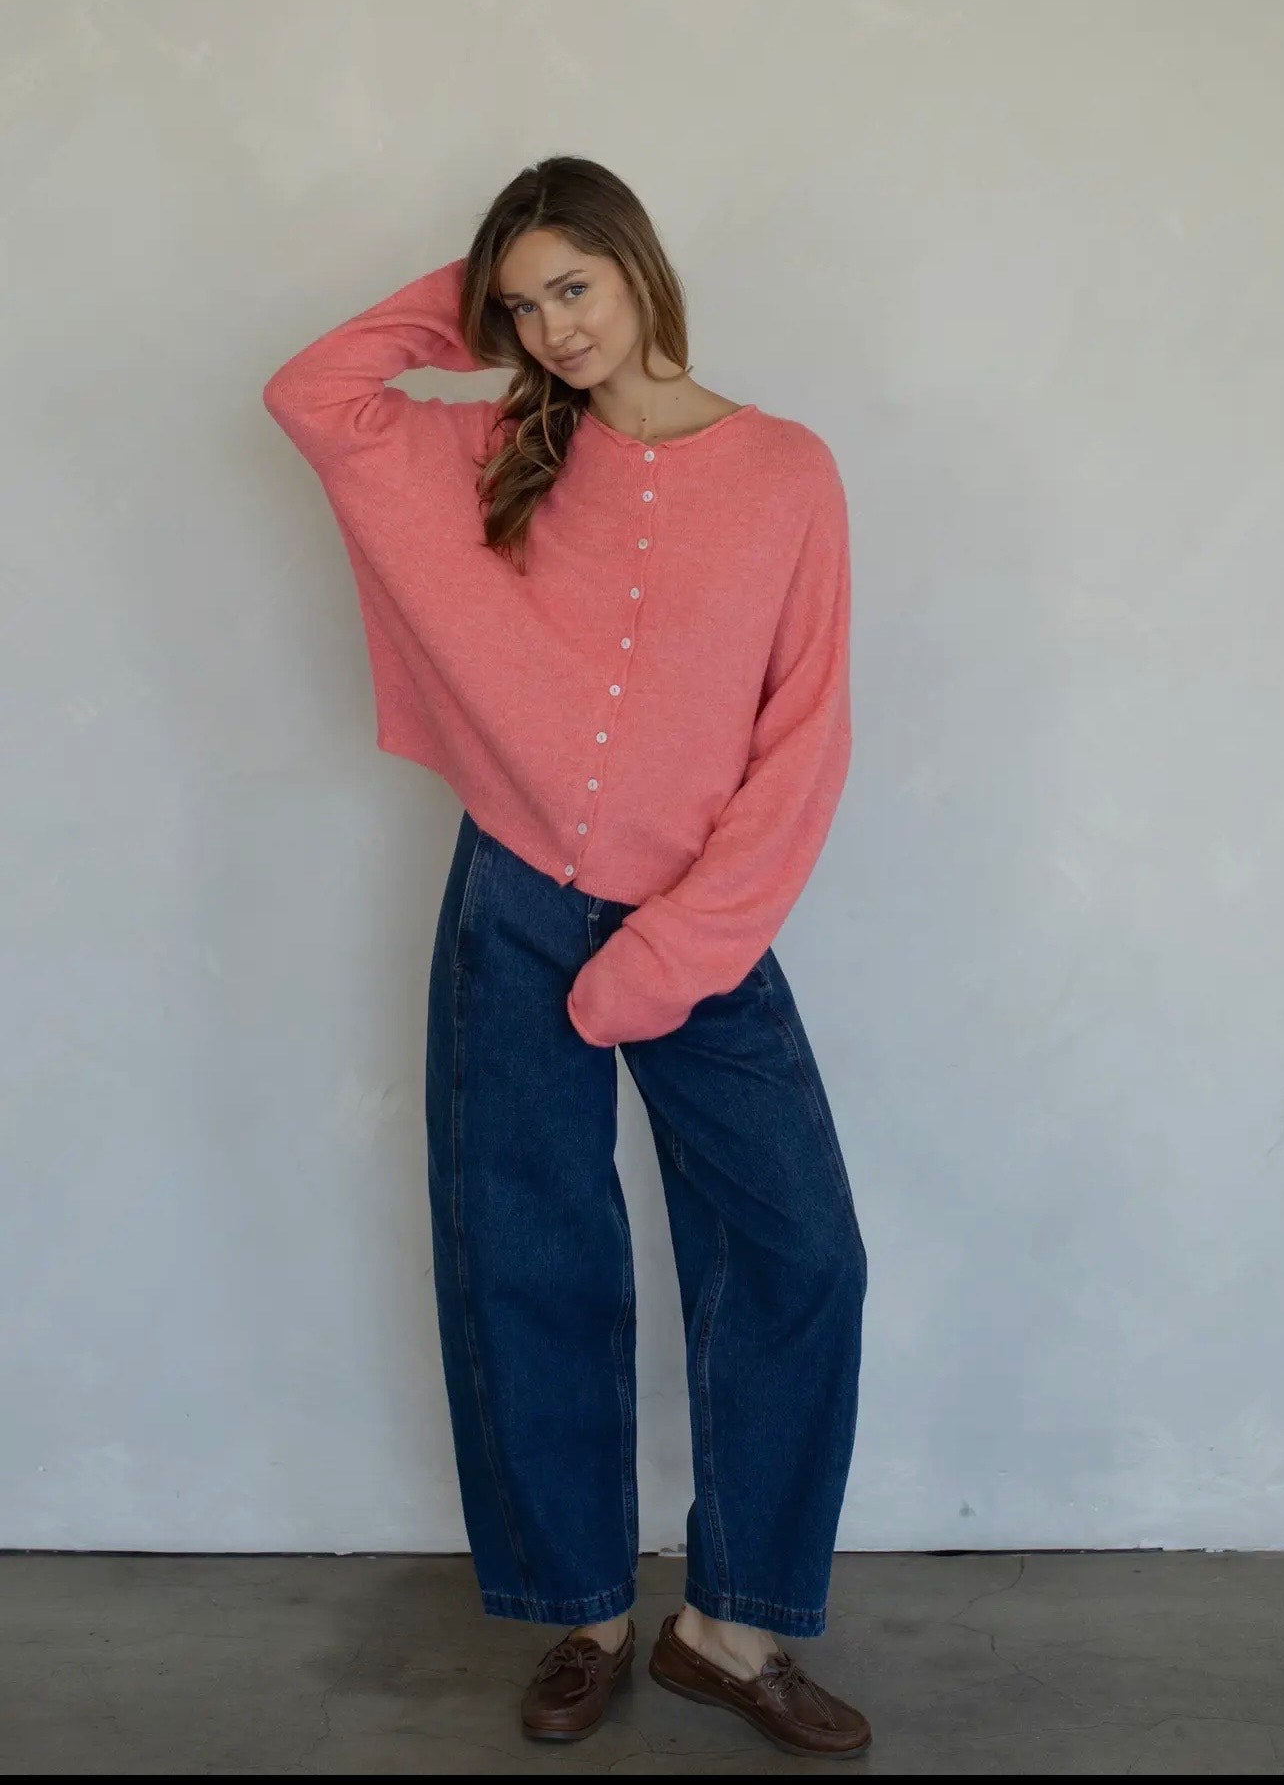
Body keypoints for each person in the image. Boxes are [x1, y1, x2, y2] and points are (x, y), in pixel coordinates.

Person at [262, 157, 871, 1758]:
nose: (552, 328)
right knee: (528, 1257)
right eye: (520, 305)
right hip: (514, 899)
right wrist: (463, 307)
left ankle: (729, 1630)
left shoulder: (788, 472)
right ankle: (582, 1613)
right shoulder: (500, 448)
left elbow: (803, 741)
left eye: (572, 288)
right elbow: (313, 395)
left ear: (637, 266)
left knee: (801, 1254)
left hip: (700, 916)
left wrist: (677, 952)